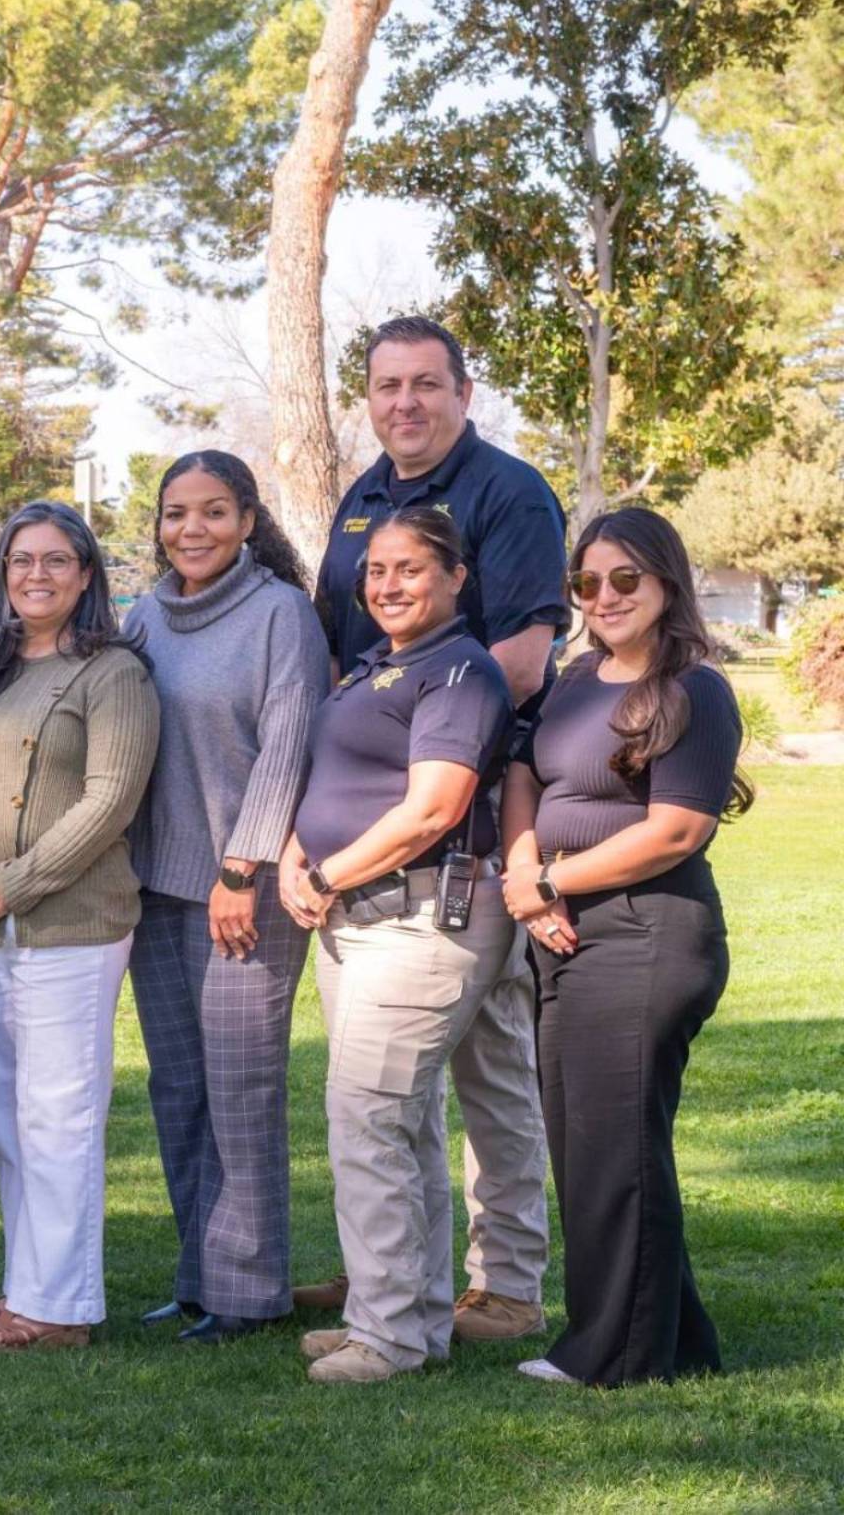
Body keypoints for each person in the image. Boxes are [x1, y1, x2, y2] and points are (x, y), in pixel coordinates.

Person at [303, 316, 561, 1342]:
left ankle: (504, 1287)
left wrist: (431, 768)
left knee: (487, 1081)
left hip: (479, 831)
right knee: (425, 1087)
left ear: (463, 390)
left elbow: (528, 659)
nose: (403, 402)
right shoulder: (363, 499)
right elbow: (346, 652)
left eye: (423, 384)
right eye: (384, 386)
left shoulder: (507, 492)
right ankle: (406, 1282)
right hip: (383, 831)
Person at [501, 508, 750, 1387]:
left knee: (615, 1147)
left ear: (666, 583)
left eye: (623, 580)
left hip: (647, 930)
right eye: (586, 583)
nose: (603, 597)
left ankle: (616, 1354)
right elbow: (525, 774)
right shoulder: (576, 677)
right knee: (587, 1144)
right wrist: (524, 867)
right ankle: (677, 1340)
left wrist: (551, 885)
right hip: (562, 930)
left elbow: (678, 831)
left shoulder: (695, 690)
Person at [281, 507, 517, 1385]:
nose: (387, 584)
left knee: (369, 1120)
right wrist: (301, 861)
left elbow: (434, 808)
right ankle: (408, 1315)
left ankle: (384, 1339)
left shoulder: (459, 670)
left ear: (456, 576)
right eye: (375, 570)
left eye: (409, 568)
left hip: (419, 918)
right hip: (361, 917)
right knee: (401, 1121)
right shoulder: (381, 666)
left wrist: (326, 872)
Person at [0, 502, 159, 1352]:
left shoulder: (114, 674)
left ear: (87, 574)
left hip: (71, 925)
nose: (36, 575)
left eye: (56, 561)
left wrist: (11, 885)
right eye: (20, 561)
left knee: (61, 1117)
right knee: (13, 1122)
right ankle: (25, 1291)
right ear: (1, 576)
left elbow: (108, 802)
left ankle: (61, 1309)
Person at [121, 454, 327, 1342]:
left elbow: (289, 743)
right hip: (153, 888)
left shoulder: (281, 614)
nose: (191, 530)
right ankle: (197, 1277)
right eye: (176, 513)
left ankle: (249, 1290)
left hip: (243, 892)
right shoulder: (141, 617)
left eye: (212, 512)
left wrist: (242, 869)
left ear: (249, 520)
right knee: (179, 1092)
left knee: (240, 1088)